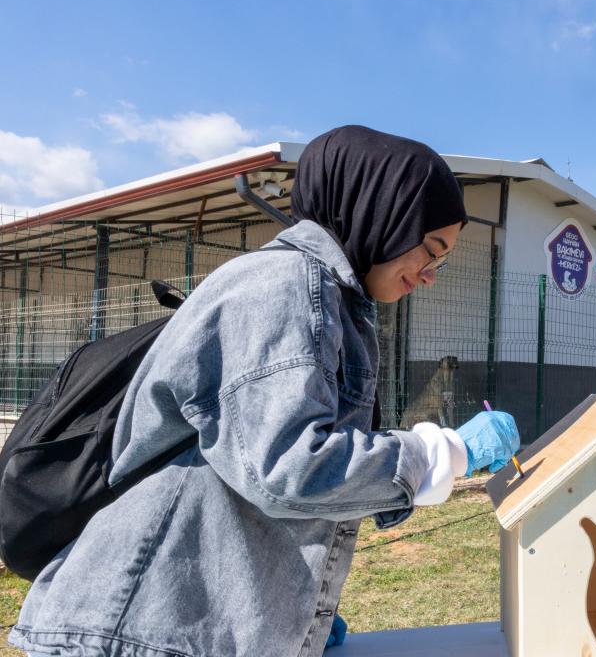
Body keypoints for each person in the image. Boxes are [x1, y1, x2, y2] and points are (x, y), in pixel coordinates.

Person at [8, 125, 521, 657]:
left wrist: (288, 608)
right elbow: (289, 466)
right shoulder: (284, 285)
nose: (432, 275)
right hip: (144, 629)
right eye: (431, 250)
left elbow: (256, 472)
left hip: (181, 625)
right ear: (382, 214)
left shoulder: (328, 299)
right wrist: (444, 451)